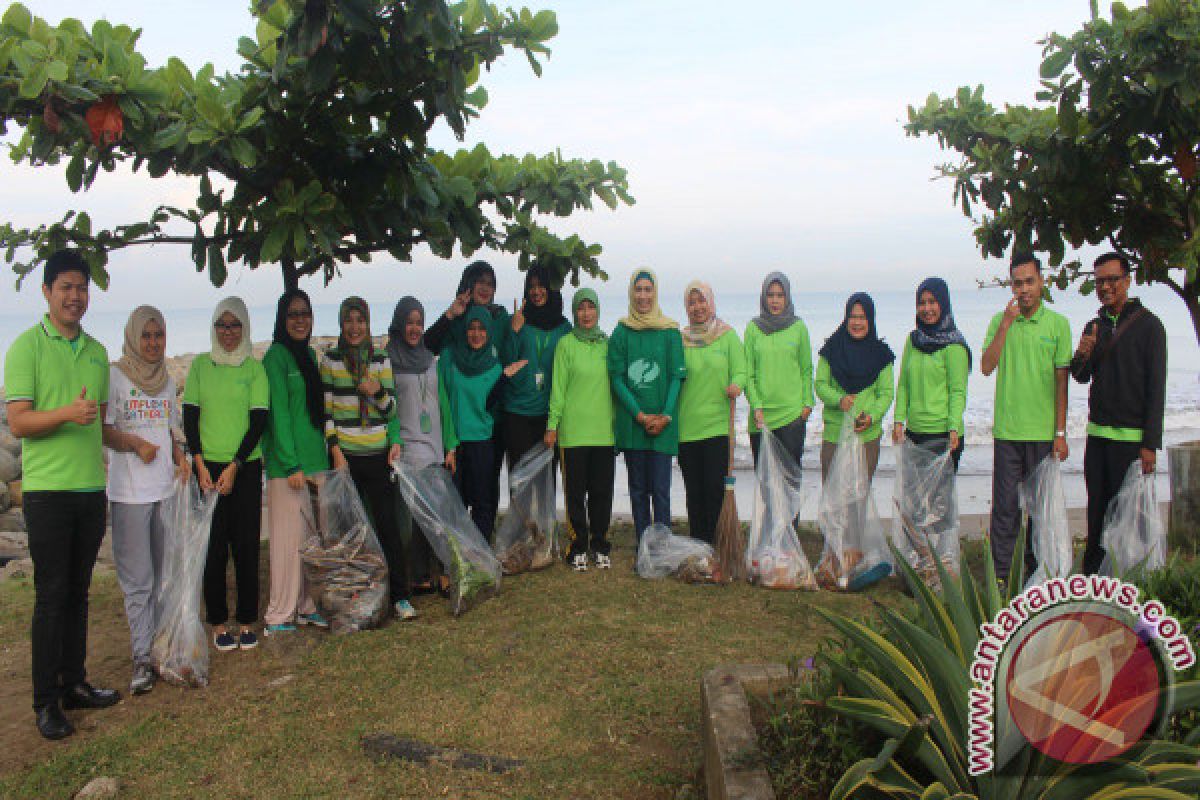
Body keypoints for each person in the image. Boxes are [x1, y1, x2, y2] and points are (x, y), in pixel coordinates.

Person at [5, 250, 121, 740]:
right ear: (48, 292)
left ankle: (74, 683)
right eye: (66, 287)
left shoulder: (96, 352)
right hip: (48, 494)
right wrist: (65, 416)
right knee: (51, 598)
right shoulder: (26, 347)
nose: (76, 296)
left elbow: (100, 423)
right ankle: (45, 703)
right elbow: (18, 421)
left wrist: (134, 443)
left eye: (82, 287)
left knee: (79, 593)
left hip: (90, 491)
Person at [103, 306, 190, 695]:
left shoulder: (167, 383)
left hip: (163, 491)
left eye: (159, 335)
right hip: (129, 494)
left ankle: (159, 649)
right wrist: (134, 443)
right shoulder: (116, 377)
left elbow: (171, 430)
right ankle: (141, 659)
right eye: (146, 336)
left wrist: (180, 457)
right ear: (133, 336)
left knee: (162, 579)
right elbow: (104, 432)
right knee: (137, 581)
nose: (153, 343)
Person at [1070, 252, 1167, 574]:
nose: (1105, 287)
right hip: (1098, 437)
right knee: (1097, 514)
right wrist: (1082, 354)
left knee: (1130, 519)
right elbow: (1081, 375)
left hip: (1132, 440)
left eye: (1112, 279)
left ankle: (1132, 584)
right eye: (1099, 281)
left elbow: (1157, 389)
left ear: (1127, 280)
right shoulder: (1095, 325)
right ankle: (1094, 583)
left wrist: (1150, 445)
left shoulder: (1150, 327)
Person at [321, 297, 416, 620]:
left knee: (387, 525)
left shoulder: (380, 359)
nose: (355, 327)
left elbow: (391, 410)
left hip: (377, 453)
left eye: (361, 320)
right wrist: (335, 452)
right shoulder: (331, 361)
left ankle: (400, 596)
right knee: (350, 530)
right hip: (346, 456)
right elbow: (327, 413)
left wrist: (375, 391)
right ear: (341, 323)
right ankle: (354, 595)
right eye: (349, 320)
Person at [183, 297, 268, 652]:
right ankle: (218, 623)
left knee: (246, 546)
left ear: (244, 328)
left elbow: (259, 421)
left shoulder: (253, 368)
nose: (228, 333)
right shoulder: (201, 366)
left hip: (245, 466)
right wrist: (200, 465)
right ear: (214, 328)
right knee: (213, 548)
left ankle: (247, 620)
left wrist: (234, 465)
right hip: (206, 469)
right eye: (222, 325)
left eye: (235, 326)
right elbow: (190, 418)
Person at [981, 254, 1072, 584]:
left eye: (1029, 281)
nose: (1023, 289)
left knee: (1040, 513)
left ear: (1041, 282)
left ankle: (1038, 578)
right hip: (1008, 432)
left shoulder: (1058, 325)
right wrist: (1006, 324)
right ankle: (1002, 579)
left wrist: (1060, 432)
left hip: (1043, 434)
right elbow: (986, 366)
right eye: (1017, 283)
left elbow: (1062, 382)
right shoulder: (999, 321)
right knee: (1005, 510)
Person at [261, 290, 330, 636]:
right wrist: (290, 465)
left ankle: (304, 606)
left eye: (305, 313)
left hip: (315, 464)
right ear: (281, 319)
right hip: (289, 469)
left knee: (308, 542)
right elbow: (278, 416)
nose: (300, 320)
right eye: (292, 314)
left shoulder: (308, 356)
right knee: (287, 545)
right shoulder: (276, 357)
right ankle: (279, 614)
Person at [386, 296, 459, 594]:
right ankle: (419, 574)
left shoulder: (430, 359)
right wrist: (394, 440)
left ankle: (438, 570)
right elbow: (387, 407)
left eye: (419, 323)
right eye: (409, 323)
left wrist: (451, 446)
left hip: (434, 445)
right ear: (399, 324)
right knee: (418, 513)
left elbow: (442, 403)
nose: (414, 328)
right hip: (408, 445)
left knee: (437, 511)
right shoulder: (389, 360)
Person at [425, 260, 510, 512]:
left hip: (492, 419)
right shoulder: (459, 319)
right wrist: (451, 314)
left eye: (490, 283)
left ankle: (482, 542)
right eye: (479, 282)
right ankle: (462, 543)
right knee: (458, 493)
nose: (485, 288)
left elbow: (509, 359)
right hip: (459, 424)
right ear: (468, 285)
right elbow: (429, 347)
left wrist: (515, 331)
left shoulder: (500, 317)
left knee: (487, 488)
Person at [608, 269, 686, 542]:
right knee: (638, 489)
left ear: (656, 292)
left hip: (663, 425)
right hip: (634, 425)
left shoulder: (670, 332)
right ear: (632, 293)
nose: (643, 296)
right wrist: (640, 416)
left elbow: (677, 377)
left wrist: (665, 415)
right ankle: (644, 545)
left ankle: (663, 545)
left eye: (648, 289)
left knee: (661, 490)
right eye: (638, 290)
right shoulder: (621, 332)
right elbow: (617, 380)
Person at [440, 306, 527, 542]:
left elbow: (488, 404)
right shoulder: (450, 359)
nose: (476, 334)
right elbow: (443, 402)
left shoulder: (495, 366)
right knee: (455, 505)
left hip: (482, 444)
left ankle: (480, 557)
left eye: (481, 329)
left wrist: (505, 378)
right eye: (471, 328)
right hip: (455, 444)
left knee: (483, 504)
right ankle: (459, 557)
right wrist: (448, 442)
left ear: (489, 332)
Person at [545, 289, 616, 571]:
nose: (586, 314)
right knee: (575, 495)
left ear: (598, 311)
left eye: (591, 308)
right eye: (581, 309)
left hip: (603, 433)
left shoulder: (608, 345)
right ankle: (577, 547)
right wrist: (553, 425)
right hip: (573, 434)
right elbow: (558, 389)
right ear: (575, 313)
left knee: (602, 493)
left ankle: (599, 545)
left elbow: (616, 388)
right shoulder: (565, 345)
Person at [677, 281, 744, 545]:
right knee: (694, 493)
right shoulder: (680, 340)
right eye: (691, 303)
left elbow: (741, 369)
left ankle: (719, 547)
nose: (697, 307)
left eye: (701, 301)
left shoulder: (727, 336)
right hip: (687, 428)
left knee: (715, 491)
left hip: (717, 427)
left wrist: (737, 385)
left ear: (711, 302)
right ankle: (699, 546)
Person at [892, 277, 971, 470]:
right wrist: (898, 421)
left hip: (944, 434)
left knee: (940, 498)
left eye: (932, 302)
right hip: (914, 432)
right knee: (913, 496)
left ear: (943, 304)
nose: (927, 309)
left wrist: (953, 427)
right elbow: (903, 385)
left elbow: (957, 391)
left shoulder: (954, 345)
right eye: (922, 303)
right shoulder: (913, 340)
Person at [816, 293, 895, 480]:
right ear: (845, 318)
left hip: (866, 435)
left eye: (862, 317)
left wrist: (871, 417)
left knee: (859, 499)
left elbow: (886, 394)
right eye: (852, 317)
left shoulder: (881, 354)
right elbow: (820, 384)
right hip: (835, 435)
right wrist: (839, 400)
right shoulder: (831, 349)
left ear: (870, 319)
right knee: (833, 498)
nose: (857, 323)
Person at [502, 264, 571, 468]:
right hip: (517, 413)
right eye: (531, 287)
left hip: (548, 416)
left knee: (546, 484)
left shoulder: (564, 328)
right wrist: (514, 331)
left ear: (551, 289)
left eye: (542, 286)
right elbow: (507, 365)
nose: (536, 292)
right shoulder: (518, 321)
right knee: (519, 482)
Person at [744, 272, 814, 470]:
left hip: (792, 416)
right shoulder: (753, 328)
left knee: (790, 484)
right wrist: (756, 406)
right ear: (764, 297)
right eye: (770, 295)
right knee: (767, 486)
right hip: (761, 418)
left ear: (787, 297)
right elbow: (748, 373)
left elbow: (806, 369)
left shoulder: (798, 327)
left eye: (780, 295)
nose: (775, 300)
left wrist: (807, 405)